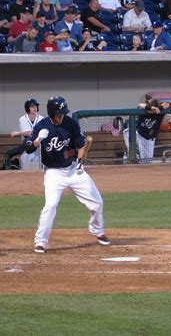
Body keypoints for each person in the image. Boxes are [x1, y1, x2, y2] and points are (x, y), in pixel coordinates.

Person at [25, 96, 110, 253]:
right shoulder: (41, 126)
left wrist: (79, 162)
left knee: (97, 202)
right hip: (53, 174)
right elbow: (28, 147)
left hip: (73, 170)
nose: (61, 116)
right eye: (59, 113)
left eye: (63, 113)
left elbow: (80, 145)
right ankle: (40, 241)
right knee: (50, 205)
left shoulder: (70, 124)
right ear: (51, 113)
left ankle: (97, 230)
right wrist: (37, 140)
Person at [122, 96, 171, 163]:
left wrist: (159, 108)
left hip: (148, 139)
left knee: (146, 162)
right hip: (139, 134)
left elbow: (168, 104)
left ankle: (140, 161)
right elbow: (139, 105)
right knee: (126, 132)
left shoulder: (160, 113)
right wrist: (150, 108)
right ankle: (134, 154)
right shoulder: (144, 110)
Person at [7, 98, 45, 169]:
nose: (35, 108)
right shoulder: (22, 119)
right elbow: (30, 133)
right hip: (26, 149)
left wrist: (18, 132)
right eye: (32, 106)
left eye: (36, 106)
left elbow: (36, 133)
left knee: (38, 171)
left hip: (38, 150)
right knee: (24, 171)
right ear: (27, 108)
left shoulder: (42, 119)